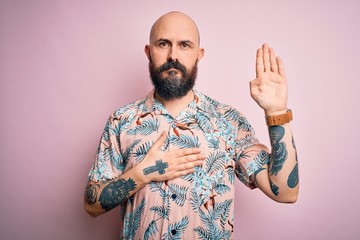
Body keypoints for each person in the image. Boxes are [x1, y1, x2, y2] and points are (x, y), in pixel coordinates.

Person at [84, 11, 299, 239]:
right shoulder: (122, 121)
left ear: (199, 54)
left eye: (184, 45)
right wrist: (144, 173)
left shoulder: (228, 121)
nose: (173, 55)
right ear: (149, 52)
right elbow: (91, 205)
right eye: (163, 43)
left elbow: (285, 192)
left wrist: (277, 113)